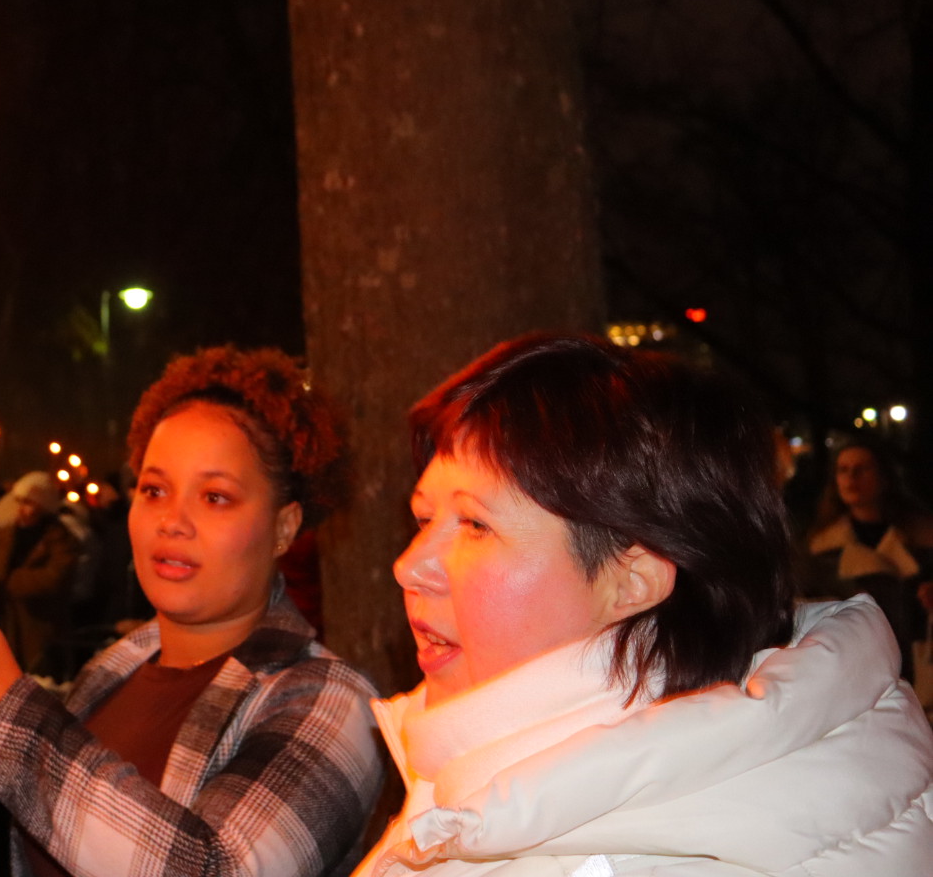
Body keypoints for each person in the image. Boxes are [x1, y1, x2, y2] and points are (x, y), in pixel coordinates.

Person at [357, 333, 933, 876]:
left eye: (475, 524)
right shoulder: (488, 775)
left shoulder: (648, 853)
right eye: (425, 518)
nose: (409, 567)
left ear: (631, 579)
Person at [0, 346, 384, 877]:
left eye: (215, 497)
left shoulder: (331, 703)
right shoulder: (115, 668)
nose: (172, 520)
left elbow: (216, 870)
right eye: (154, 490)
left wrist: (2, 702)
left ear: (284, 527)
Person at [804, 436, 933, 677]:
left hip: (917, 666)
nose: (851, 478)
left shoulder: (921, 538)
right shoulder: (822, 549)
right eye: (843, 470)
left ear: (884, 477)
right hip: (857, 669)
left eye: (862, 469)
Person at [0, 471, 78, 677]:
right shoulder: (5, 534)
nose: (24, 509)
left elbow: (55, 578)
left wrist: (11, 581)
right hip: (4, 619)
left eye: (30, 503)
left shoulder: (59, 538)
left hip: (37, 624)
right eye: (21, 502)